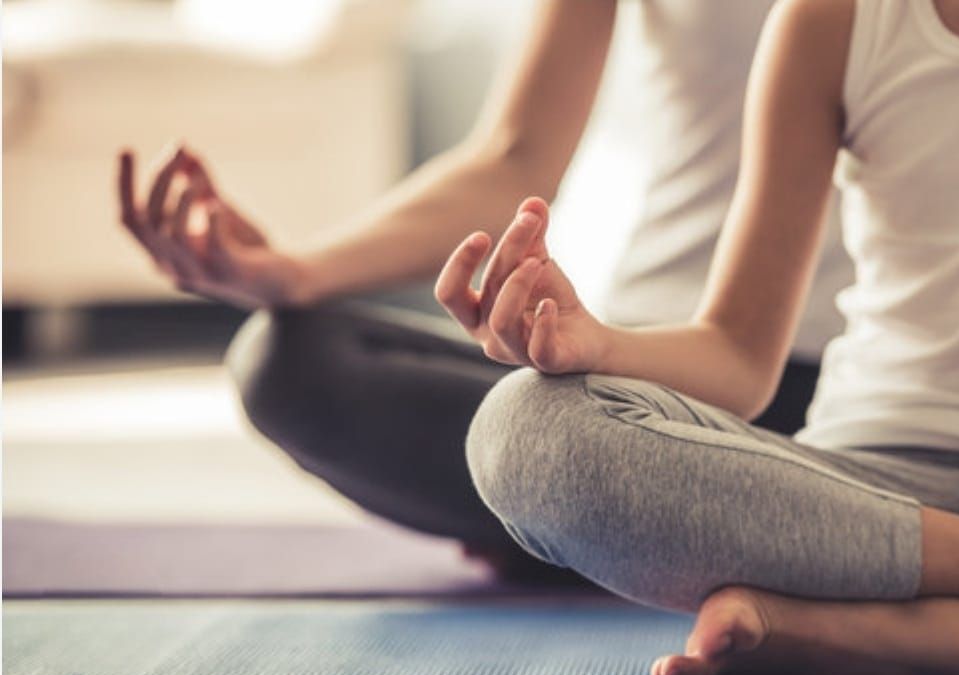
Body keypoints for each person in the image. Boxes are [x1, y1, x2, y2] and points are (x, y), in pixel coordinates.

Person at [435, 0, 959, 675]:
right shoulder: (833, 22)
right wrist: (595, 342)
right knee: (527, 431)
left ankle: (869, 636)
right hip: (867, 487)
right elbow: (737, 357)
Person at [116, 2, 852, 577]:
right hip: (629, 367)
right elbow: (516, 155)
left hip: (830, 391)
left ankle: (589, 537)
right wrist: (294, 272)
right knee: (290, 359)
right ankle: (612, 534)